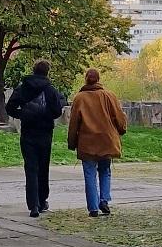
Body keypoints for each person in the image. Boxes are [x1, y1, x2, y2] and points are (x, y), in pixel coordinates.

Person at [8, 59, 65, 218]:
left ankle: (33, 204)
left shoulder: (23, 88)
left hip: (28, 132)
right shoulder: (51, 91)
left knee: (31, 168)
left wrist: (23, 115)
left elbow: (9, 107)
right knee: (43, 167)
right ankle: (42, 200)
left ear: (33, 70)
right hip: (45, 132)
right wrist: (45, 116)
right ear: (47, 72)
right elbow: (57, 111)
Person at [67, 69, 127, 217]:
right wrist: (121, 130)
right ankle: (104, 199)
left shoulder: (80, 98)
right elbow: (119, 117)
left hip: (87, 142)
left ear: (86, 79)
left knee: (89, 174)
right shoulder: (109, 96)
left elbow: (74, 123)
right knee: (105, 171)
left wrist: (72, 142)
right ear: (99, 79)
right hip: (106, 140)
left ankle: (93, 207)